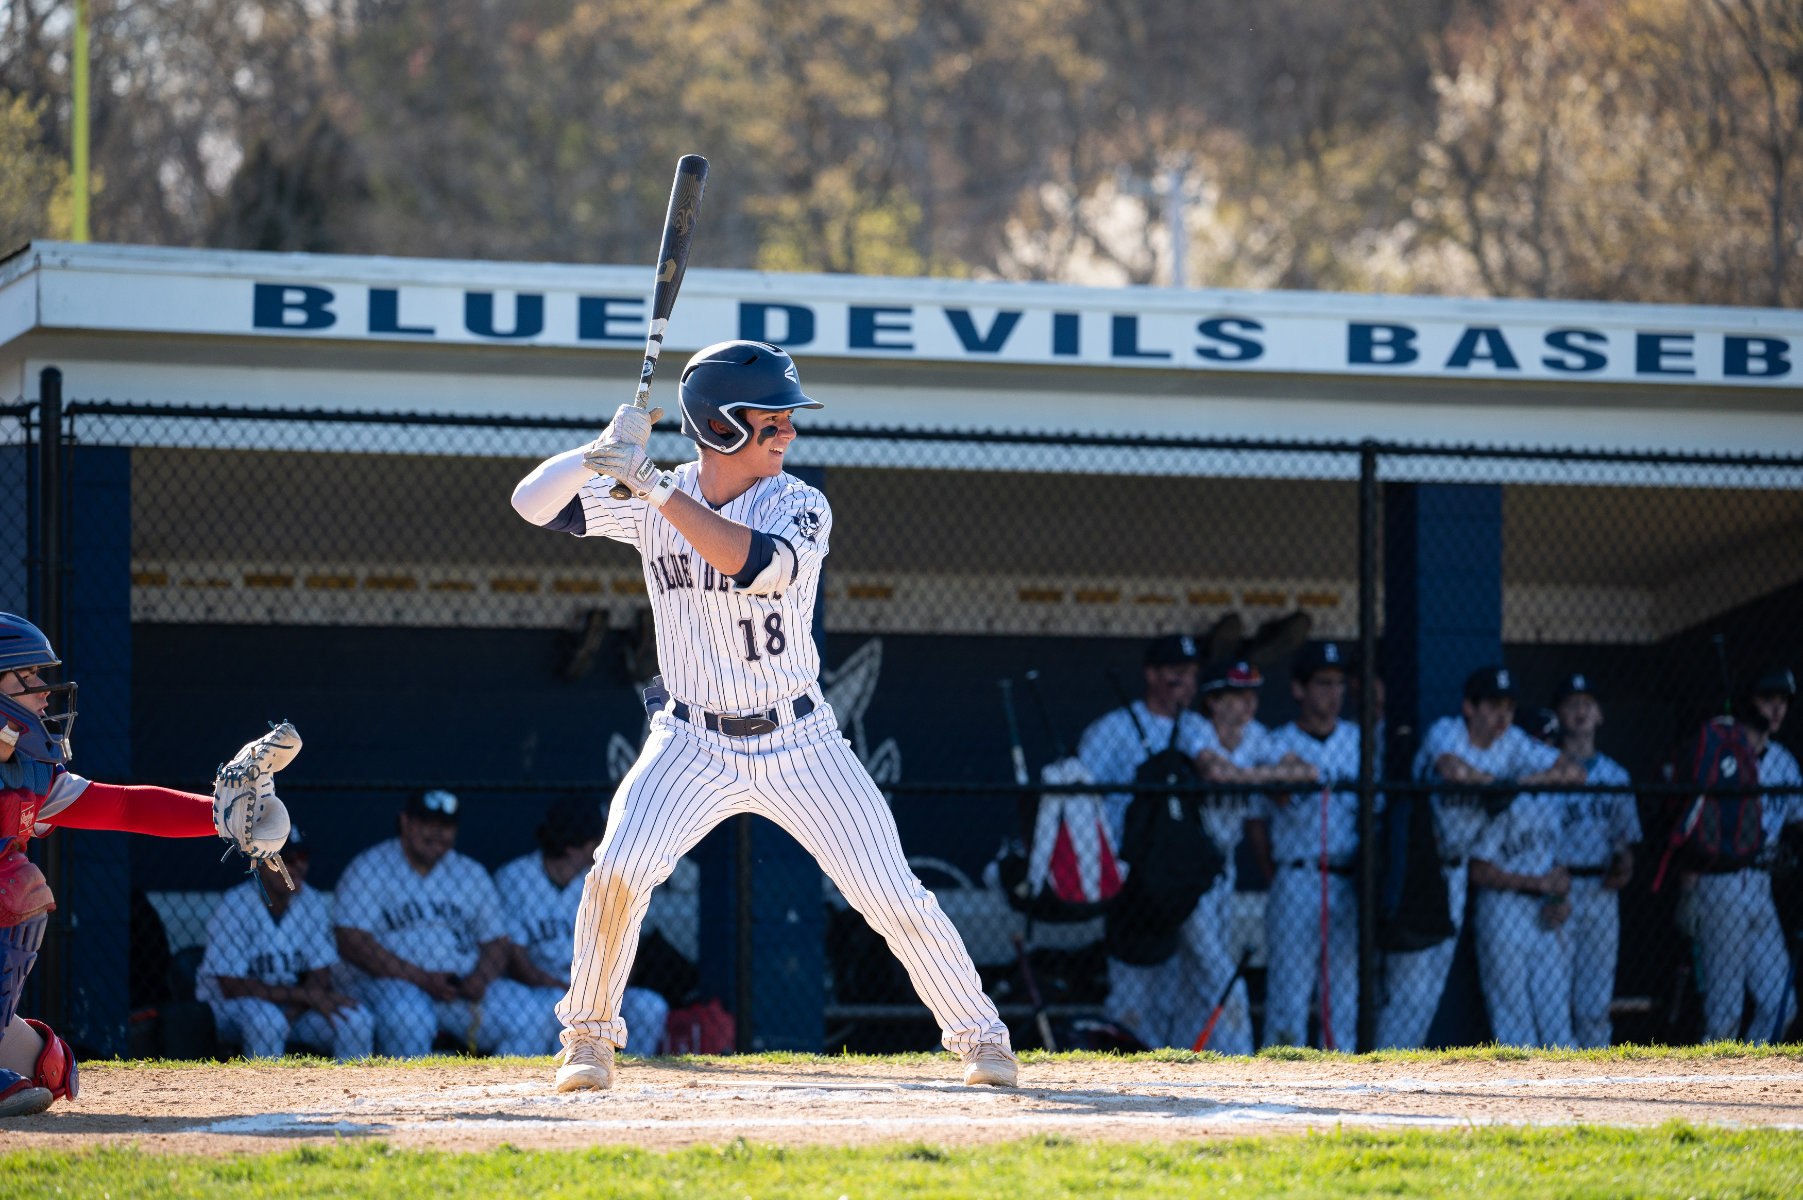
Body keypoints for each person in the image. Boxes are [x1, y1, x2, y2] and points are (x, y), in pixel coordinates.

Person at [509, 340, 1016, 1091]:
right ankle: (586, 1039)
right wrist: (599, 453)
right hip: (689, 740)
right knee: (617, 870)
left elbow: (754, 565)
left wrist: (649, 486)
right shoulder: (655, 493)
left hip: (800, 739)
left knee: (889, 894)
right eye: (770, 419)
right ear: (717, 427)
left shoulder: (797, 501)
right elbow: (531, 503)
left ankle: (982, 1039)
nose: (787, 431)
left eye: (786, 418)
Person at [1, 613, 292, 1117]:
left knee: (50, 1070)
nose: (45, 692)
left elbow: (124, 807)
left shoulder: (26, 773)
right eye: (29, 677)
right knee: (15, 883)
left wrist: (223, 818)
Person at [1375, 666, 1582, 1049]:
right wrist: (1498, 787)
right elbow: (1453, 770)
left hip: (1454, 875)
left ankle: (1396, 1076)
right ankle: (1378, 1074)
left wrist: (1516, 784)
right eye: (1491, 705)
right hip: (1418, 871)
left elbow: (1572, 772)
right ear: (1469, 707)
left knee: (1432, 988)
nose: (1502, 715)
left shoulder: (1513, 742)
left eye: (1508, 706)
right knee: (1410, 990)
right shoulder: (1447, 730)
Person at [332, 789, 544, 1057]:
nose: (437, 833)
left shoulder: (470, 872)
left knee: (529, 1014)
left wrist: (480, 977)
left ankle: (504, 1093)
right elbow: (351, 940)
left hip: (458, 989)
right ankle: (405, 1095)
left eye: (445, 826)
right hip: (392, 985)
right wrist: (419, 978)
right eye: (426, 824)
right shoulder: (370, 867)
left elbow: (496, 941)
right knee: (407, 1018)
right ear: (405, 823)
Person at [1076, 633, 1212, 1048]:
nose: (1183, 682)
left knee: (1185, 984)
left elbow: (1221, 771)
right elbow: (1081, 801)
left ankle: (1180, 1068)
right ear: (1151, 674)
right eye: (1175, 672)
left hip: (1186, 879)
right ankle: (1124, 1072)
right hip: (1133, 877)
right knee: (1133, 989)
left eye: (1191, 673)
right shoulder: (1112, 729)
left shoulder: (1198, 729)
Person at [1191, 659, 1314, 1054]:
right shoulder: (1196, 729)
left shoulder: (1255, 737)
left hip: (1222, 867)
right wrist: (1263, 777)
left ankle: (1201, 1057)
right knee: (1220, 977)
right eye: (1237, 694)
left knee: (1206, 974)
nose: (1248, 703)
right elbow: (1216, 772)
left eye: (1251, 694)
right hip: (1184, 873)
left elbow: (1306, 771)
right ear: (1213, 700)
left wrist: (1253, 774)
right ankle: (1238, 1060)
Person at [495, 795, 669, 1057]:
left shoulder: (606, 878)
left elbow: (625, 952)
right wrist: (567, 991)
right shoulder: (516, 877)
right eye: (596, 840)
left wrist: (599, 996)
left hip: (599, 991)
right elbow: (516, 961)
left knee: (649, 1006)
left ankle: (632, 1077)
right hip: (540, 989)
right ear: (572, 847)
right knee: (541, 1012)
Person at [1253, 642, 1363, 1051]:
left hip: (1347, 878)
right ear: (1299, 689)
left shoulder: (1359, 740)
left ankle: (1341, 1089)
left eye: (1339, 683)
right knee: (1288, 997)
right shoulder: (1275, 742)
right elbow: (1256, 822)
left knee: (1344, 1000)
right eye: (1322, 683)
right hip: (1296, 875)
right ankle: (1282, 1089)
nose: (1334, 693)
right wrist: (1276, 876)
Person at [1685, 667, 1802, 1043]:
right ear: (1749, 702)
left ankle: (1745, 1085)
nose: (1777, 709)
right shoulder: (1722, 752)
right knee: (1725, 1013)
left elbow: (1798, 822)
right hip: (1722, 883)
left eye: (1783, 701)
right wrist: (1689, 890)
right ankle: (1707, 1094)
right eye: (1768, 700)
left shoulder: (1784, 761)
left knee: (1780, 1004)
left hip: (1761, 885)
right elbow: (1690, 823)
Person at [196, 828, 374, 1060]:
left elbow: (320, 974)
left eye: (303, 858)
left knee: (356, 1018)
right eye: (288, 859)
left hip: (292, 1007)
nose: (298, 866)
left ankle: (352, 1094)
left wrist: (298, 1008)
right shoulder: (234, 905)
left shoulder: (311, 901)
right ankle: (265, 1095)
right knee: (267, 1021)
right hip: (230, 1009)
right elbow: (233, 987)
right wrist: (305, 997)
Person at [1467, 709, 1576, 1048]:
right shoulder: (1503, 795)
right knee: (1515, 1028)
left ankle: (1571, 1099)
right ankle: (1520, 1099)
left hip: (1544, 913)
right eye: (1542, 744)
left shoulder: (1555, 798)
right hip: (1503, 911)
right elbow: (1478, 870)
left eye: (1552, 745)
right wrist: (1537, 884)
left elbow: (1557, 864)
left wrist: (1559, 896)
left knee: (1557, 1023)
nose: (1548, 754)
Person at [1550, 673, 1640, 1047]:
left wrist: (1624, 863)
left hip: (1603, 891)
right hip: (1560, 888)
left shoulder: (1616, 775)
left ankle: (1598, 1082)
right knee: (1555, 995)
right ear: (1559, 715)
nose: (1581, 711)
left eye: (1588, 704)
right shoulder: (1546, 770)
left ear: (1600, 714)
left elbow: (1628, 842)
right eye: (1572, 704)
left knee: (1595, 998)